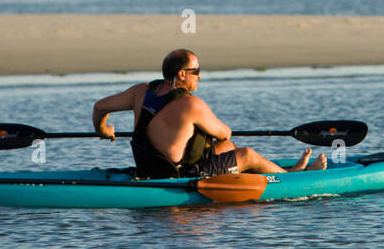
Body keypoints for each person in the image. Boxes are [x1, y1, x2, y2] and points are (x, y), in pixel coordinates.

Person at [92, 49, 326, 179]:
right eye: (197, 71)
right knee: (247, 155)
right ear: (182, 74)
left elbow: (99, 107)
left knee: (227, 148)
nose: (200, 76)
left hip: (147, 168)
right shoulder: (191, 104)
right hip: (179, 175)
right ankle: (293, 176)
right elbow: (224, 132)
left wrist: (103, 129)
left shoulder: (140, 91)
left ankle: (272, 173)